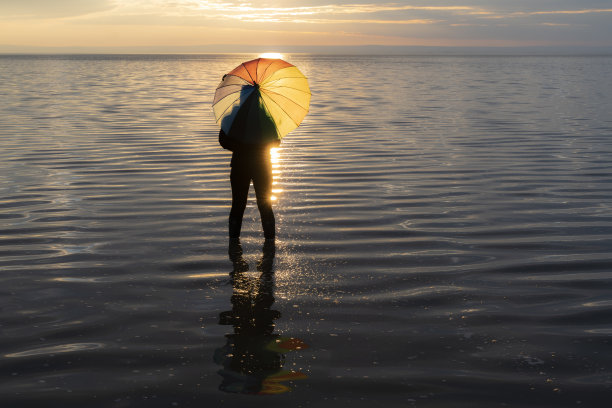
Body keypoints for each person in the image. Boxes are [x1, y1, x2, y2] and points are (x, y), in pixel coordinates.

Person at [219, 128, 279, 240]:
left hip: (241, 166)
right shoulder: (266, 120)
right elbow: (276, 142)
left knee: (238, 205)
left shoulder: (234, 118)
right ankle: (270, 245)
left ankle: (234, 245)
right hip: (262, 167)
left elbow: (223, 141)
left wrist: (240, 147)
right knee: (264, 205)